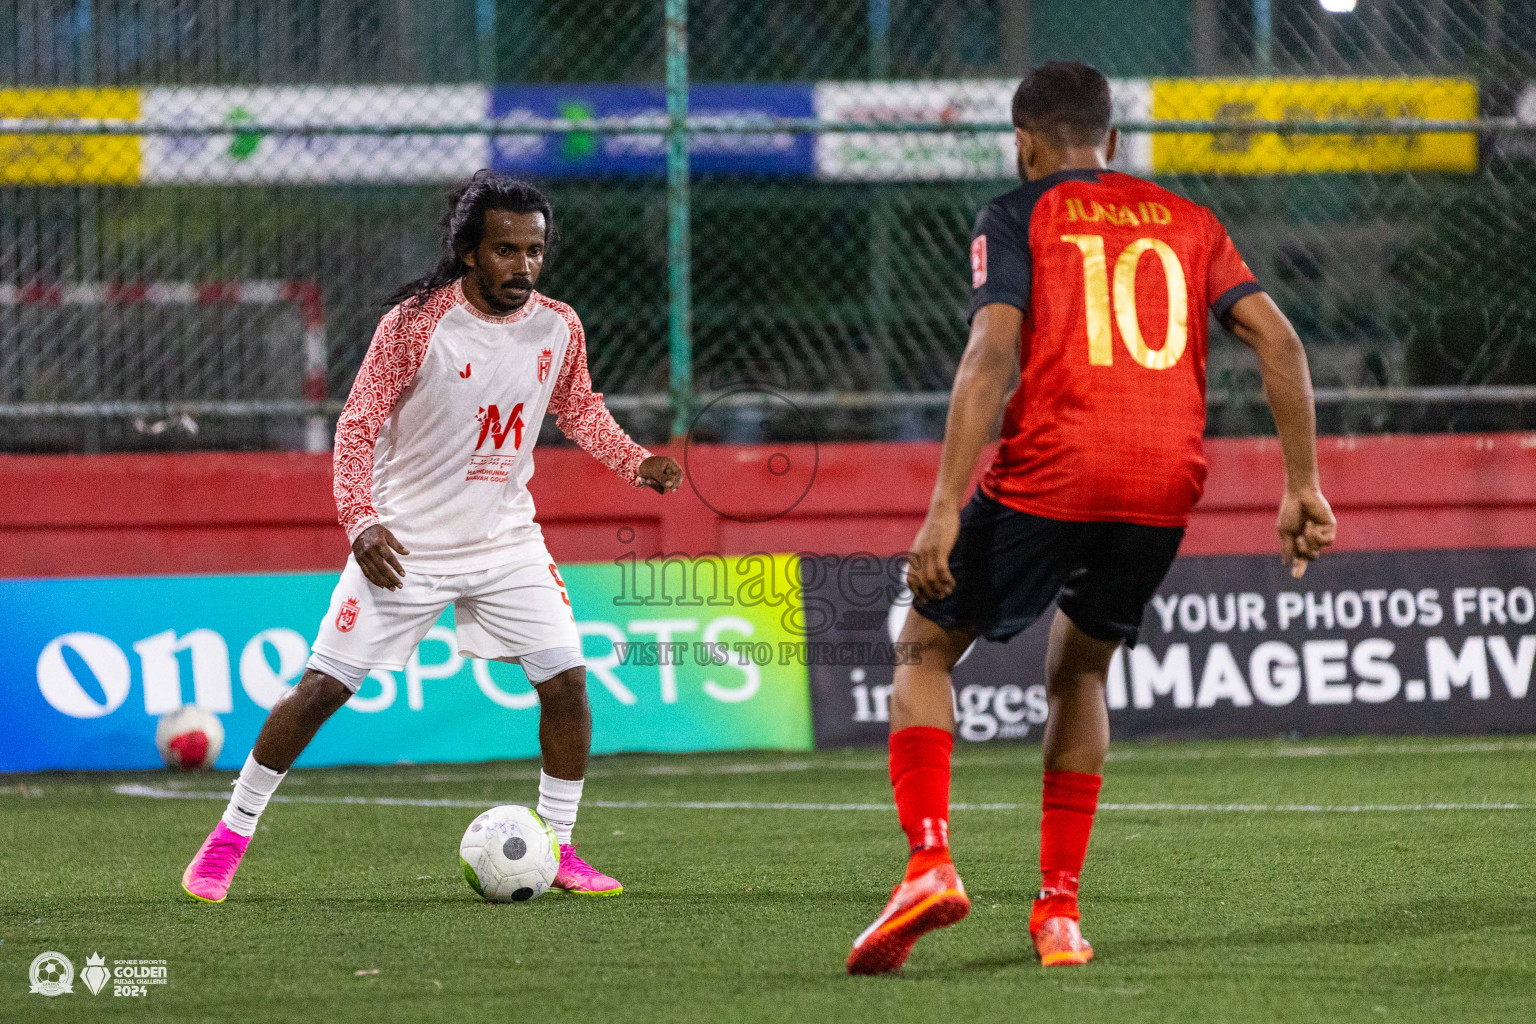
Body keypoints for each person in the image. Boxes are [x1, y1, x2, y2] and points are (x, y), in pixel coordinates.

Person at [846, 63, 1336, 974]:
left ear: (1024, 142)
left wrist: (944, 507)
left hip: (1054, 470)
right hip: (1163, 480)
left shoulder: (1017, 212)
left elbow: (992, 352)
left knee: (922, 648)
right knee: (1080, 672)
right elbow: (1278, 338)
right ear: (1112, 143)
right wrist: (1301, 484)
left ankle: (928, 863)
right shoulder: (1192, 222)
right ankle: (1059, 916)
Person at [181, 171, 682, 904]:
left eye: (535, 251)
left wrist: (636, 463)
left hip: (506, 541)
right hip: (404, 546)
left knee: (568, 681)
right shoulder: (415, 325)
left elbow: (578, 409)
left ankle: (561, 846)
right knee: (322, 689)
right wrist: (360, 521)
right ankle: (228, 838)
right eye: (506, 250)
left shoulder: (559, 325)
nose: (523, 266)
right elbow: (356, 426)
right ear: (471, 253)